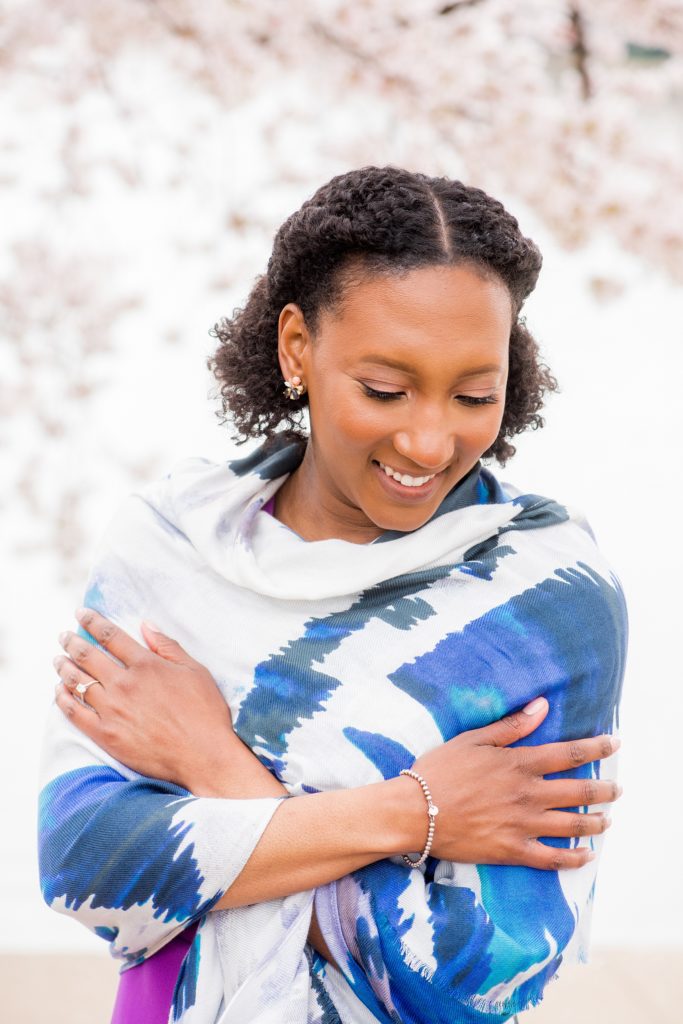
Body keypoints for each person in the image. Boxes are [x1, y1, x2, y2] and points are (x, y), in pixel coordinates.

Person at [39, 166, 626, 1024]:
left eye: (474, 395)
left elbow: (473, 977)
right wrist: (416, 813)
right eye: (383, 390)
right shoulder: (168, 546)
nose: (428, 439)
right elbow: (88, 866)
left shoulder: (545, 601)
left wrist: (210, 763)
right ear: (296, 348)